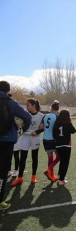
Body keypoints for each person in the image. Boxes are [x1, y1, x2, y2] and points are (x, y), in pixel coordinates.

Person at [0, 81, 31, 210]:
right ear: (8, 90)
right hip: (7, 140)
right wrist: (22, 130)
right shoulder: (11, 103)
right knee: (2, 172)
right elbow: (27, 117)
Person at [11, 98, 44, 186]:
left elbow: (42, 128)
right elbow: (19, 125)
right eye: (26, 105)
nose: (26, 107)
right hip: (24, 137)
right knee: (23, 158)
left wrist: (36, 132)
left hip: (35, 138)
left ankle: (33, 176)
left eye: (28, 105)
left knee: (34, 157)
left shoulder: (41, 116)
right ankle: (20, 178)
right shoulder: (25, 115)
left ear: (34, 105)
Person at [53, 110, 76, 185]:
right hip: (66, 145)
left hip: (58, 145)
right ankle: (61, 180)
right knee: (65, 163)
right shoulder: (68, 123)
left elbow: (54, 134)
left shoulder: (56, 123)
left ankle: (60, 176)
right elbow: (74, 131)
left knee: (62, 161)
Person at [42, 100, 60, 182]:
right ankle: (49, 170)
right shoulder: (56, 117)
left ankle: (51, 176)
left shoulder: (45, 116)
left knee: (50, 158)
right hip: (52, 140)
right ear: (58, 109)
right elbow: (57, 129)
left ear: (51, 108)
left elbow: (41, 126)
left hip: (45, 139)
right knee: (59, 156)